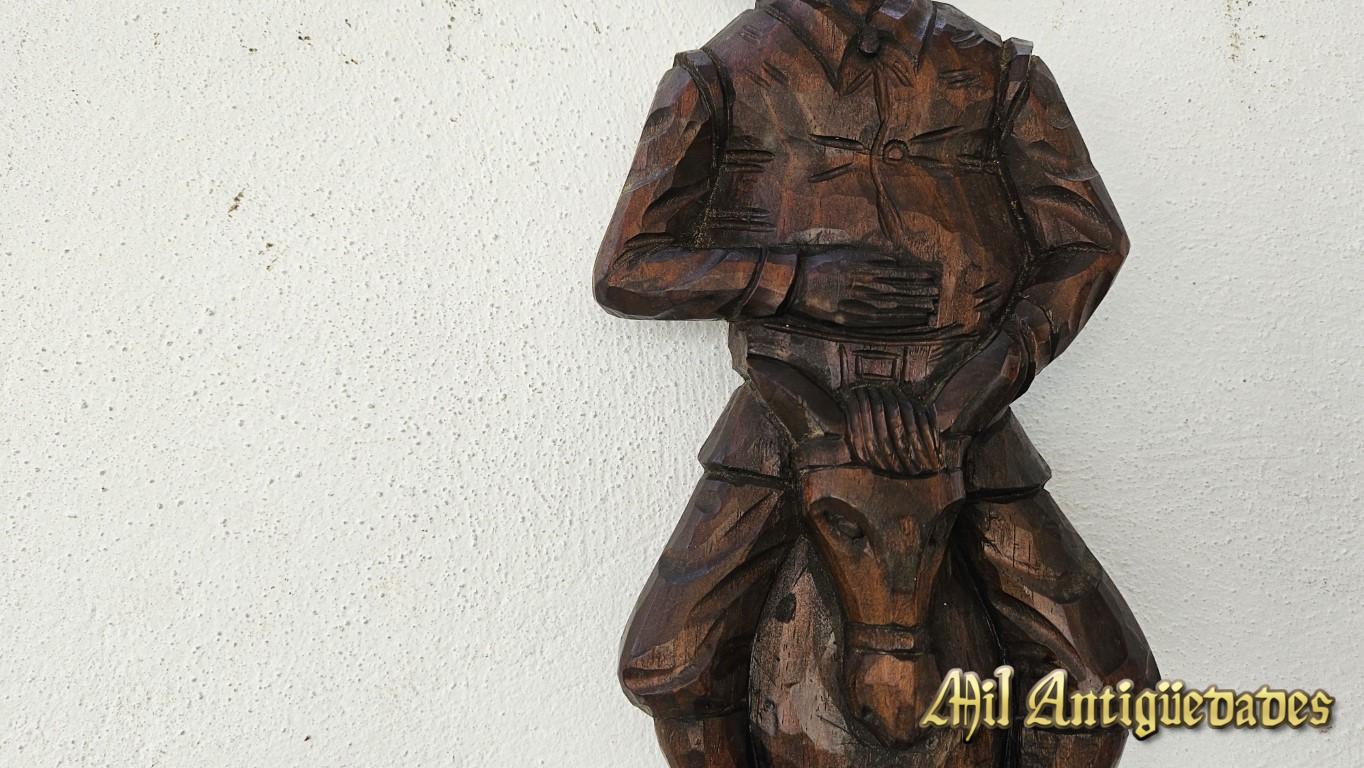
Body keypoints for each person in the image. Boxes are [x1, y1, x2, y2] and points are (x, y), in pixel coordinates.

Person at [594, 1, 1159, 764]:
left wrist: (976, 388)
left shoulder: (994, 70)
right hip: (788, 415)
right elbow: (628, 269)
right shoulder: (724, 73)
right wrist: (791, 281)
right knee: (672, 659)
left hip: (962, 417)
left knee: (1102, 678)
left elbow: (1089, 243)